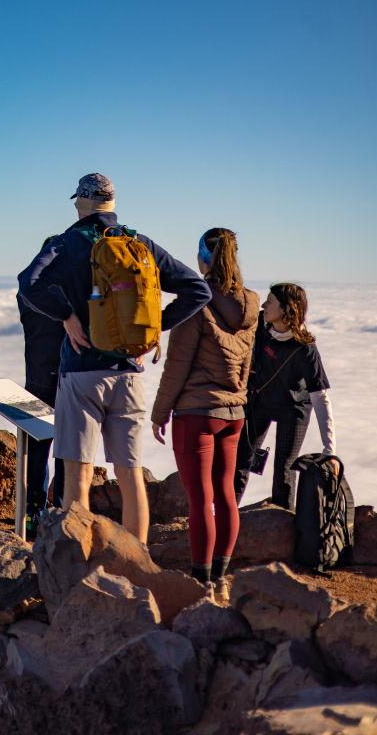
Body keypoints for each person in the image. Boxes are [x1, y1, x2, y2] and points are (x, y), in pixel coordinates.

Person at [18, 173, 210, 543]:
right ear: (111, 202)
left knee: (77, 475)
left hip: (81, 372)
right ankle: (135, 562)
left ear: (82, 202)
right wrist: (153, 332)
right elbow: (197, 290)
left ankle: (77, 565)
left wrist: (67, 315)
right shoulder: (139, 242)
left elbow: (29, 283)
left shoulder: (68, 243)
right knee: (131, 475)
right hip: (129, 375)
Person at [151, 228, 260, 588]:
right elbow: (245, 363)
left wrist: (158, 413)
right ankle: (220, 577)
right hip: (234, 413)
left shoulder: (196, 300)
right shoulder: (251, 303)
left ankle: (200, 582)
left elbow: (177, 365)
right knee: (226, 495)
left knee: (200, 502)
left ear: (202, 258)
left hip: (197, 415)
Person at [234, 283, 336, 509]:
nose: (263, 305)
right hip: (260, 400)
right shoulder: (261, 323)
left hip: (293, 409)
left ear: (285, 309)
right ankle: (225, 519)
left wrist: (330, 450)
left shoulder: (304, 349)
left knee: (284, 473)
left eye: (269, 302)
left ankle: (282, 526)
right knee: (239, 462)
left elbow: (320, 397)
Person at [17, 235, 66, 533]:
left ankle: (34, 518)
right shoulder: (69, 298)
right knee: (66, 450)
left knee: (36, 455)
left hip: (35, 378)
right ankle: (61, 516)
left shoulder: (27, 296)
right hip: (68, 379)